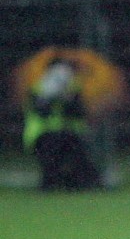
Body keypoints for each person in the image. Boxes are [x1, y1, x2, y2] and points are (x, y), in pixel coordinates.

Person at [22, 55, 103, 191]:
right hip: (43, 134)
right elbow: (41, 112)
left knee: (79, 156)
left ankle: (84, 182)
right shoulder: (37, 89)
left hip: (69, 134)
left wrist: (67, 99)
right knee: (52, 152)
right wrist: (49, 97)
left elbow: (79, 112)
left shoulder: (73, 89)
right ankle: (50, 183)